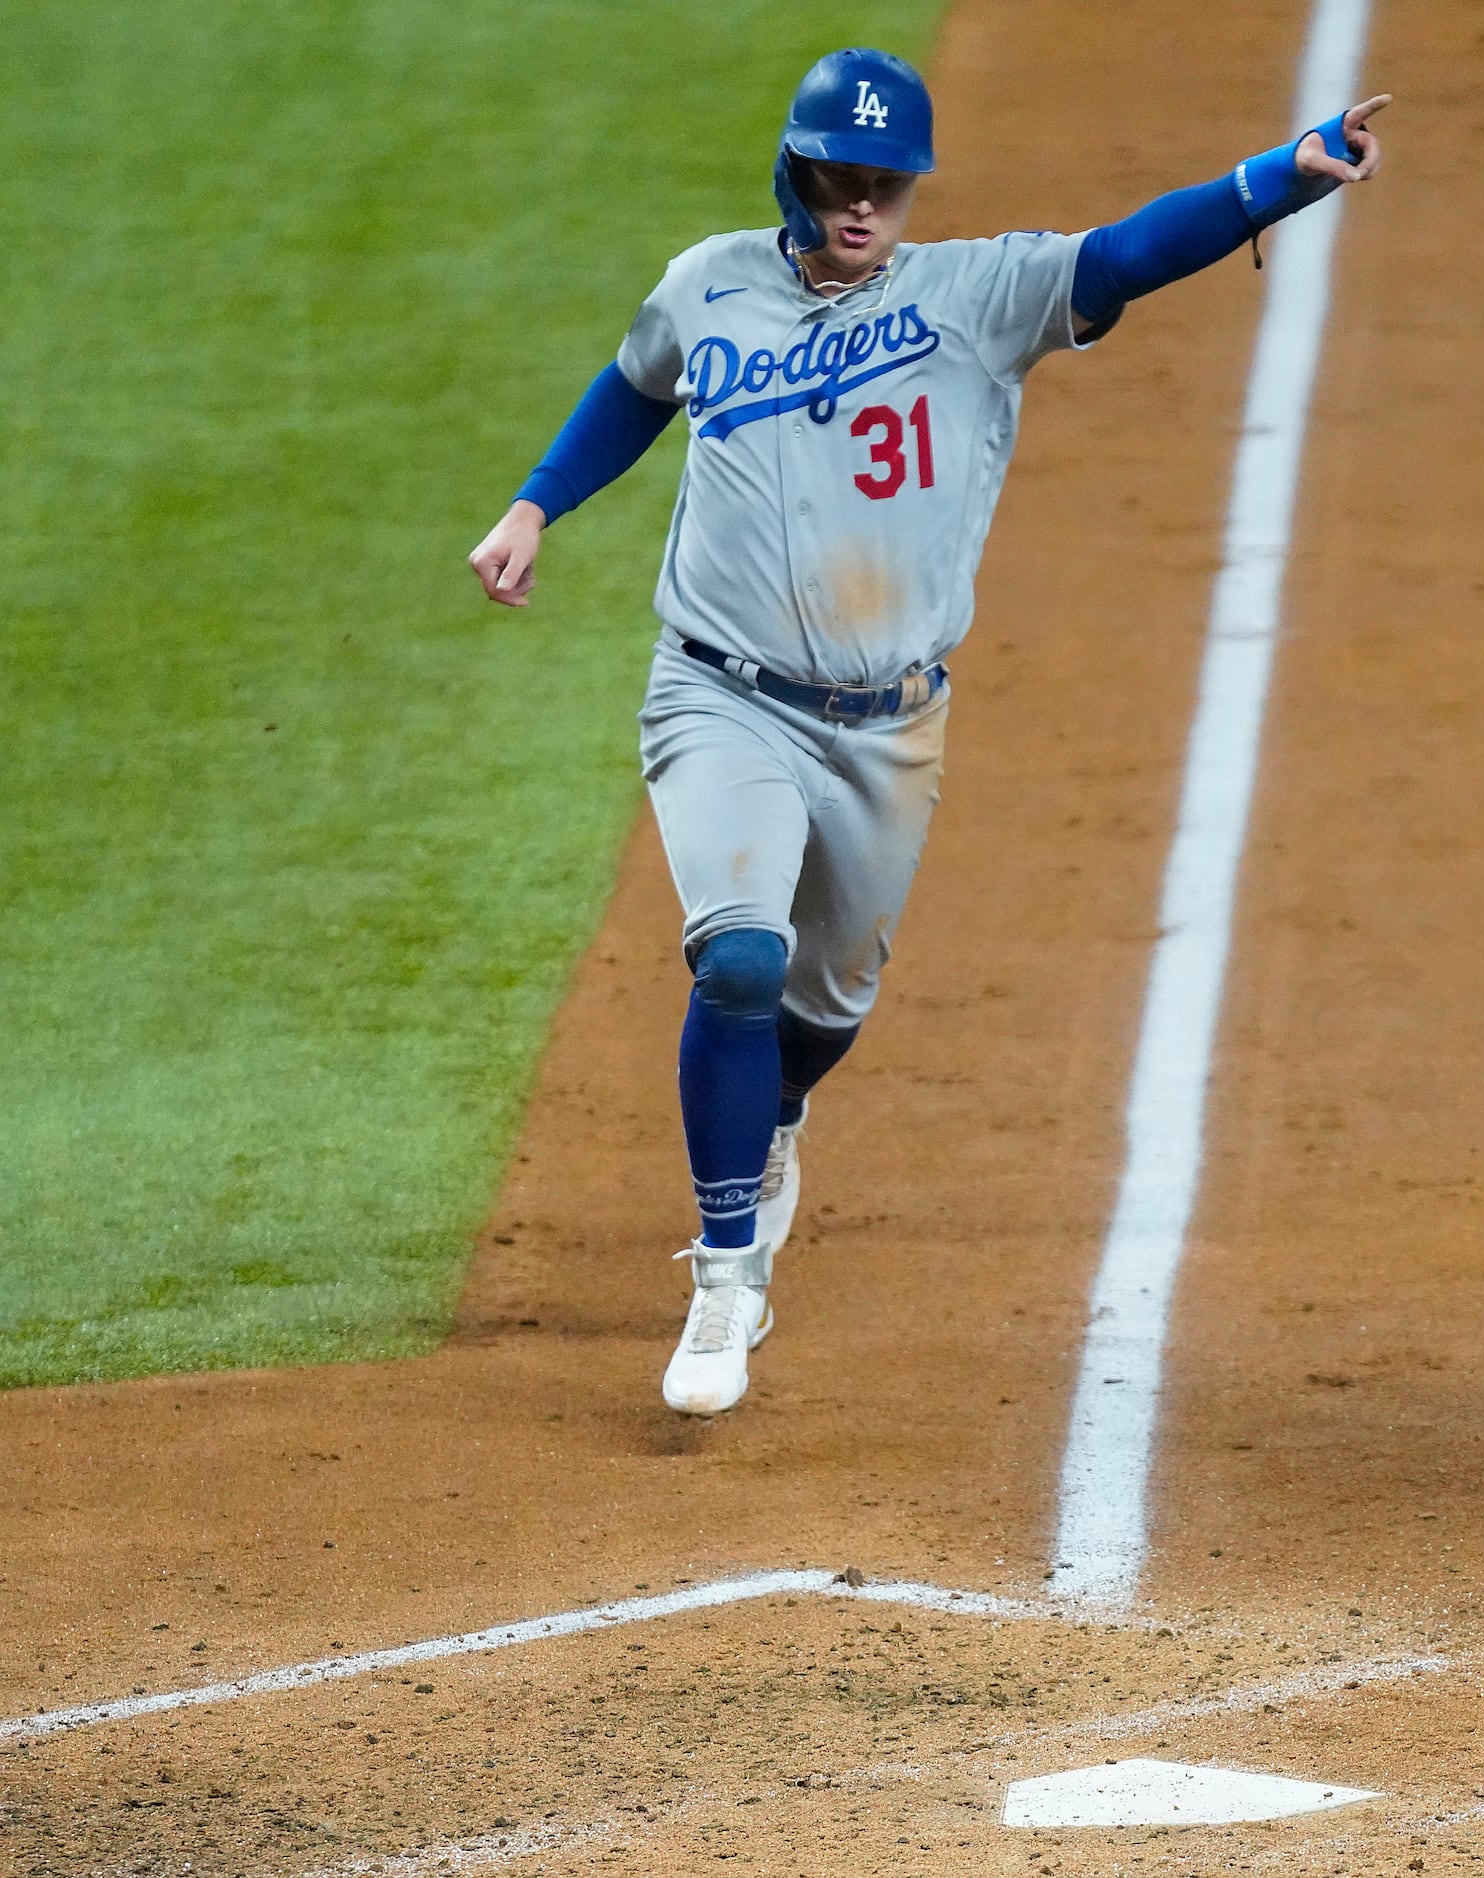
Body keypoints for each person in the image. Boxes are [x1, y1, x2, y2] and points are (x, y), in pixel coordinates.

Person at [467, 47, 1389, 1415]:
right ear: (796, 172)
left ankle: (776, 1119)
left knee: (821, 1010)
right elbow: (635, 387)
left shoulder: (974, 293)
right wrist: (535, 504)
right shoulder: (707, 281)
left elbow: (1127, 252)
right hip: (717, 690)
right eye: (843, 181)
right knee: (735, 959)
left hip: (887, 727)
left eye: (887, 189)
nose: (863, 211)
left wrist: (1280, 181)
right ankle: (726, 1274)